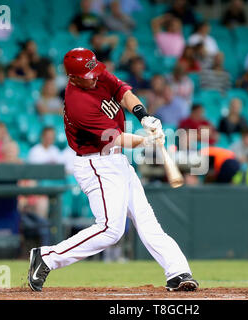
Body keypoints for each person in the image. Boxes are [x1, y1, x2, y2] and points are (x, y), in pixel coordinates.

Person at [27, 47, 198, 293]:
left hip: (116, 161)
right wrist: (146, 141)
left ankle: (177, 272)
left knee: (146, 219)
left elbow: (123, 92)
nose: (95, 76)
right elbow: (114, 138)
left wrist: (144, 117)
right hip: (96, 163)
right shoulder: (78, 103)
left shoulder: (95, 73)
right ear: (72, 77)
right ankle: (47, 257)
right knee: (110, 230)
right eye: (88, 75)